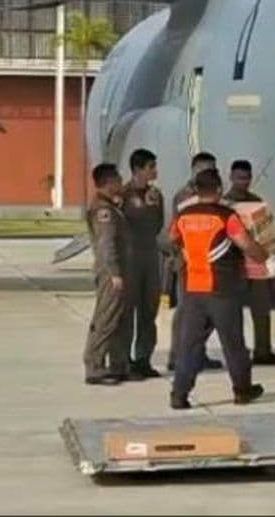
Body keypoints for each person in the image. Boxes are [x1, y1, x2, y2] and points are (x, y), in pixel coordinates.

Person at [168, 167, 267, 409]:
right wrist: (263, 256)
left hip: (193, 290)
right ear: (220, 189)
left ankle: (179, 394)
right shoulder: (226, 216)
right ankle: (242, 390)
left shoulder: (183, 216)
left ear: (196, 191)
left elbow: (172, 240)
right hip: (223, 291)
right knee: (233, 344)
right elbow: (245, 244)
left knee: (189, 345)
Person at [225, 159, 275, 366]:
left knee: (262, 309)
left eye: (246, 178)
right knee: (232, 313)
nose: (243, 182)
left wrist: (271, 262)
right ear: (231, 178)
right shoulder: (224, 205)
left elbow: (266, 233)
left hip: (256, 263)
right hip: (234, 264)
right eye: (239, 178)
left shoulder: (257, 202)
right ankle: (237, 353)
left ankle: (263, 350)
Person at [166, 152, 222, 372]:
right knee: (186, 310)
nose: (210, 172)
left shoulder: (212, 192)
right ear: (195, 170)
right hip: (189, 260)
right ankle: (177, 355)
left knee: (208, 311)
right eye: (206, 169)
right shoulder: (185, 197)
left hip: (209, 260)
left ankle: (197, 352)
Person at [117, 148, 164, 380]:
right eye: (150, 167)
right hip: (129, 258)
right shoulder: (123, 195)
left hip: (150, 256)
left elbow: (158, 224)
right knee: (127, 311)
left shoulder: (155, 195)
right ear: (137, 169)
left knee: (149, 309)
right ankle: (123, 360)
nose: (155, 171)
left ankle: (143, 359)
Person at [82, 163, 130, 386]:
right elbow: (106, 244)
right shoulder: (104, 211)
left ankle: (118, 364)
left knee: (118, 318)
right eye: (117, 180)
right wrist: (114, 273)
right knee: (106, 317)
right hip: (111, 271)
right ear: (108, 183)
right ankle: (94, 365)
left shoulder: (111, 206)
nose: (121, 183)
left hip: (118, 269)